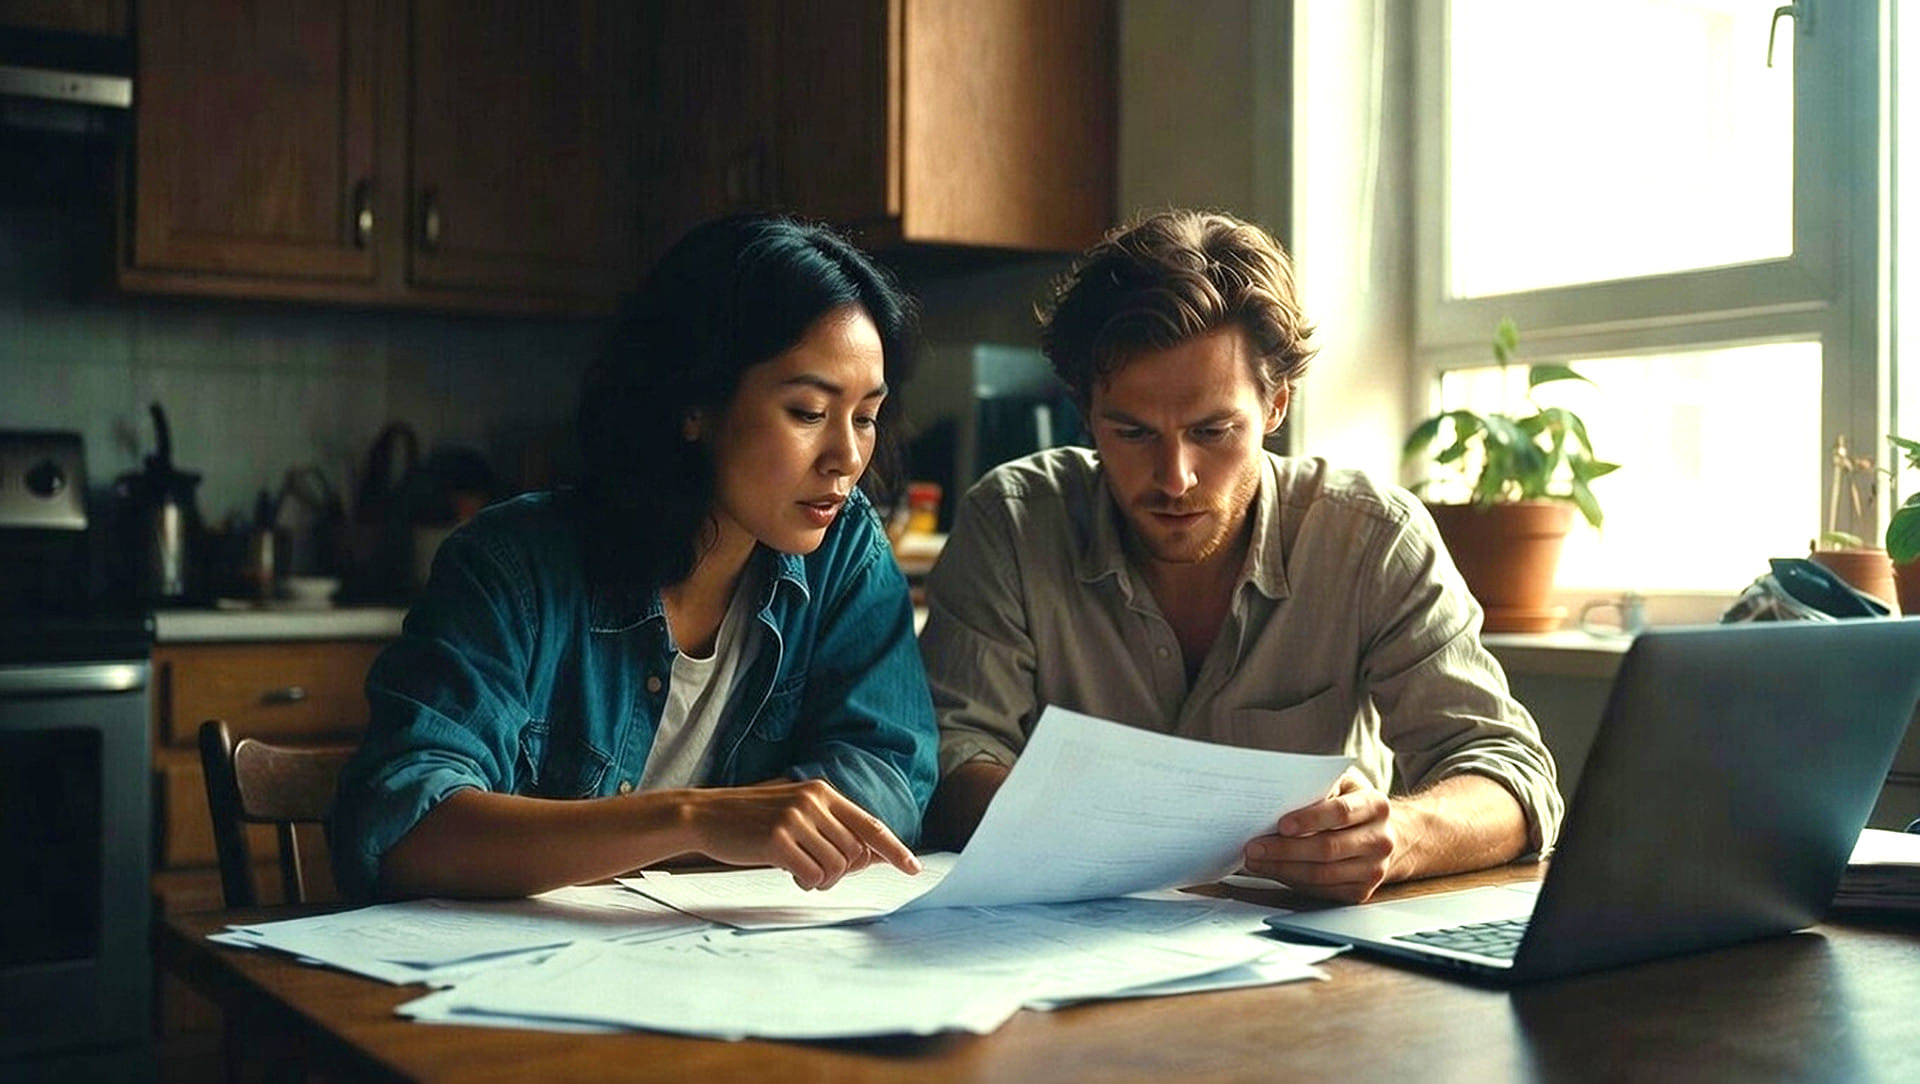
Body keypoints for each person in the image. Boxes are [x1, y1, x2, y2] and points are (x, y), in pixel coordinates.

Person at [919, 209, 1562, 903]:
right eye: (1132, 433)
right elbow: (952, 762)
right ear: (1086, 410)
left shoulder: (1372, 538)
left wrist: (1399, 835)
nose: (1174, 478)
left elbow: (1511, 773)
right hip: (1056, 949)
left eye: (1213, 431)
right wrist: (1121, 840)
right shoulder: (1013, 523)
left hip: (1312, 963)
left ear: (1276, 405)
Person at [333, 214, 937, 900]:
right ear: (694, 405)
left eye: (865, 416)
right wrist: (692, 820)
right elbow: (404, 830)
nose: (848, 459)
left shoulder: (846, 550)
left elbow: (888, 777)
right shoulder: (512, 567)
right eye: (806, 411)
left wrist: (716, 844)